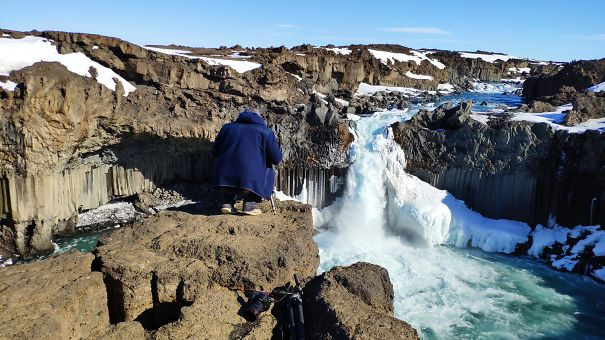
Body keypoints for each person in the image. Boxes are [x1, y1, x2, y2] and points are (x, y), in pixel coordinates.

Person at [211, 106, 282, 215]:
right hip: (250, 179)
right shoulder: (266, 132)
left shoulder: (226, 128)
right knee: (268, 168)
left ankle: (227, 203)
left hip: (224, 176)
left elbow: (214, 152)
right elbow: (277, 159)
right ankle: (250, 204)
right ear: (259, 118)